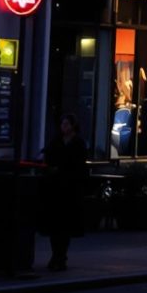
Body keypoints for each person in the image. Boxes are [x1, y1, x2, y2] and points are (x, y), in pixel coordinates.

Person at [41, 114, 88, 272]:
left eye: (67, 124)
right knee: (55, 226)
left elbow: (79, 166)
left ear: (73, 126)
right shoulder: (56, 142)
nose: (64, 127)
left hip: (70, 189)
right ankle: (56, 255)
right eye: (62, 124)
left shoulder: (78, 143)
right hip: (56, 189)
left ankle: (61, 256)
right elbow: (48, 157)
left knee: (65, 226)